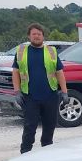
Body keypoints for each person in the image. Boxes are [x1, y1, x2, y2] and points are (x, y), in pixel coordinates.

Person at [12, 23, 69, 153]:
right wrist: (16, 91)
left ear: (43, 36)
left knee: (49, 128)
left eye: (39, 34)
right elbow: (15, 72)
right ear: (29, 36)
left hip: (50, 96)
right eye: (34, 34)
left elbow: (59, 72)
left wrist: (65, 92)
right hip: (30, 97)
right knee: (29, 128)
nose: (36, 36)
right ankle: (25, 154)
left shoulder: (51, 51)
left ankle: (46, 154)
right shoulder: (21, 51)